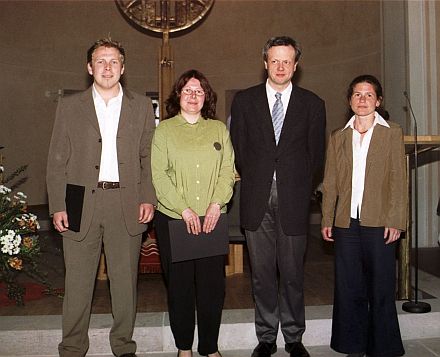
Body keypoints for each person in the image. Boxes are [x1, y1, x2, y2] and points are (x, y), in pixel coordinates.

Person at [46, 38, 156, 357]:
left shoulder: (140, 106)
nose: (107, 67)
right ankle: (72, 347)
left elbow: (148, 156)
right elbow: (57, 159)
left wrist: (148, 196)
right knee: (78, 284)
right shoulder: (69, 106)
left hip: (127, 200)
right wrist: (57, 206)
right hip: (79, 201)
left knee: (124, 284)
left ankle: (123, 346)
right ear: (89, 67)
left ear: (123, 68)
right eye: (100, 61)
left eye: (113, 61)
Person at [230, 36, 326, 357]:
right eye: (275, 60)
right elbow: (239, 150)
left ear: (296, 66)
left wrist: (294, 183)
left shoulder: (313, 104)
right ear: (265, 63)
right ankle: (267, 337)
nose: (280, 67)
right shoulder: (244, 101)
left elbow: (316, 157)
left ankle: (295, 338)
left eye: (287, 61)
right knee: (262, 276)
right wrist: (261, 176)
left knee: (293, 274)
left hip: (294, 199)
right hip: (256, 198)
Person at [151, 69, 235, 357]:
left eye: (199, 91)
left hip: (213, 218)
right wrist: (183, 210)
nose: (193, 95)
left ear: (206, 97)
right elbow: (158, 176)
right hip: (175, 220)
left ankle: (209, 347)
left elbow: (228, 171)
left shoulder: (218, 130)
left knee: (213, 289)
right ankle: (183, 347)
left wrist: (215, 204)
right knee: (180, 287)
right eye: (187, 90)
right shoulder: (164, 131)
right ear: (178, 95)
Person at [321, 75, 406, 357]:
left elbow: (398, 180)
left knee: (381, 286)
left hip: (380, 220)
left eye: (369, 95)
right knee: (348, 286)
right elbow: (330, 181)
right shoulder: (338, 136)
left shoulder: (392, 132)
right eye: (357, 94)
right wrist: (327, 219)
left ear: (378, 101)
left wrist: (396, 220)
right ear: (349, 100)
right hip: (346, 222)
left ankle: (382, 347)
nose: (362, 99)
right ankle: (351, 344)